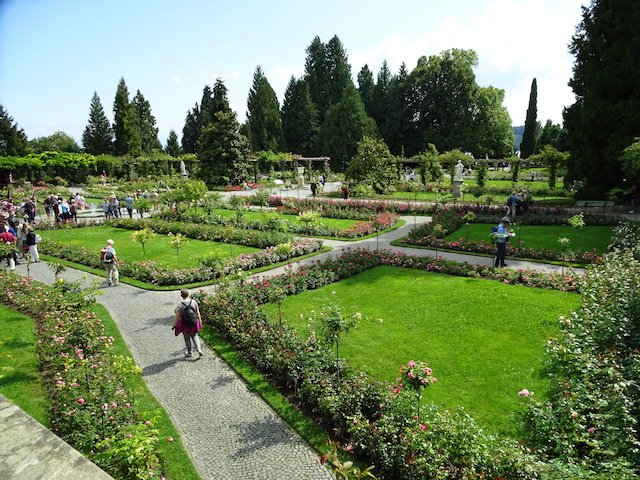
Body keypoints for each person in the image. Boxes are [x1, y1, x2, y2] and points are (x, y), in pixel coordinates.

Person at [173, 289, 203, 358]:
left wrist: (175, 324)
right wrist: (200, 321)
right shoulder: (193, 302)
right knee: (195, 336)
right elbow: (197, 312)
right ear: (188, 294)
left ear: (181, 296)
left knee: (187, 339)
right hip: (193, 322)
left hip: (185, 324)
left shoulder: (180, 305)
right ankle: (199, 350)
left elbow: (177, 316)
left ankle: (189, 352)